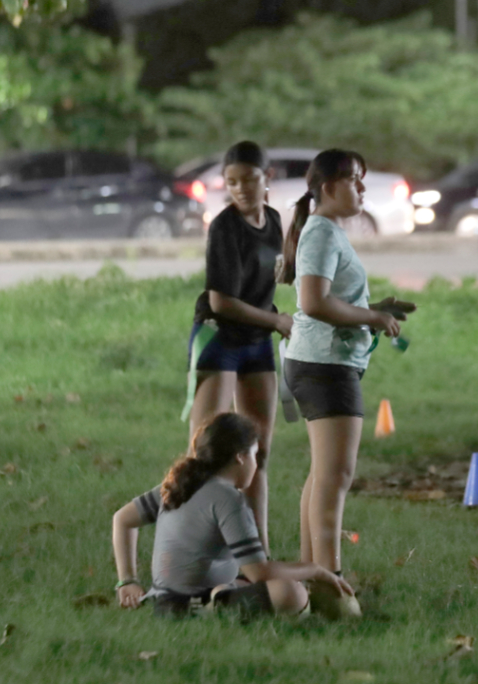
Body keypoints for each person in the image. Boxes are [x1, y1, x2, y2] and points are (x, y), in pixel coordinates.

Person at [278, 149, 415, 607]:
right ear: (328, 186)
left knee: (323, 473)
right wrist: (370, 318)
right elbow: (313, 302)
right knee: (336, 475)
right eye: (355, 180)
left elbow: (330, 298)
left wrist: (375, 310)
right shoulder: (320, 232)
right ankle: (331, 583)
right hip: (324, 365)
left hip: (320, 361)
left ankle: (307, 577)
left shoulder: (324, 230)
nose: (361, 189)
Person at [112, 412, 353, 616]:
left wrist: (128, 581)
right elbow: (258, 572)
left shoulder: (181, 483)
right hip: (188, 605)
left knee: (250, 582)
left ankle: (220, 597)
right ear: (240, 456)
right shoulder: (229, 499)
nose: (256, 465)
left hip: (162, 599)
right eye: (254, 455)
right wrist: (314, 570)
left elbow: (121, 519)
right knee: (291, 592)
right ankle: (216, 608)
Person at [183, 141, 290, 553]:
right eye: (232, 182)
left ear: (268, 179)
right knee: (206, 452)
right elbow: (221, 301)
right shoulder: (225, 227)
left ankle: (256, 552)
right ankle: (191, 548)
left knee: (257, 452)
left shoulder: (277, 221)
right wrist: (279, 320)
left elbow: (286, 274)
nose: (241, 188)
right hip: (220, 337)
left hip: (257, 340)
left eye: (250, 179)